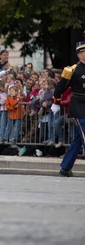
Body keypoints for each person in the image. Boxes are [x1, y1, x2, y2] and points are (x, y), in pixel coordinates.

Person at [54, 39, 85, 177]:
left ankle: (65, 167)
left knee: (79, 139)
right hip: (79, 106)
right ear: (78, 55)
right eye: (83, 52)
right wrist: (56, 101)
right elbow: (61, 86)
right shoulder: (72, 70)